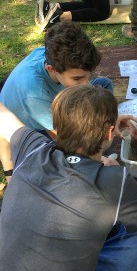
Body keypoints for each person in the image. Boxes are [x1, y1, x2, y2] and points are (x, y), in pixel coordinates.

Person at [0, 84, 137, 271]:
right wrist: (116, 174)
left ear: (56, 125)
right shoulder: (113, 180)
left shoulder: (31, 148)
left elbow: (3, 116)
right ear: (110, 134)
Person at [0, 21, 113, 183]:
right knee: (58, 155)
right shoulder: (34, 94)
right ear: (52, 69)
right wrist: (95, 158)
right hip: (31, 127)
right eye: (78, 78)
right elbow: (62, 138)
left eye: (87, 76)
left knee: (104, 85)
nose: (86, 84)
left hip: (53, 104)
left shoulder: (51, 55)